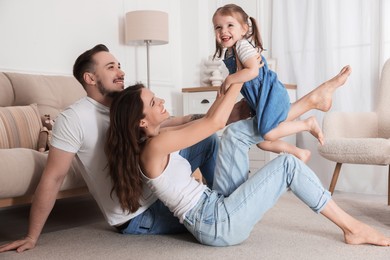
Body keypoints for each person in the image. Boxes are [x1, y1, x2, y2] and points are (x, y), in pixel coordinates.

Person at [0, 44, 249, 253]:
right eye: (111, 68)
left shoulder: (123, 105)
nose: (120, 72)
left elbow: (171, 122)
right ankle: (227, 210)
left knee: (207, 141)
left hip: (153, 183)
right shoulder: (73, 118)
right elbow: (53, 177)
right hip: (140, 213)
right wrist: (32, 235)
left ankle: (228, 202)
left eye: (119, 65)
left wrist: (224, 116)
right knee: (214, 219)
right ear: (90, 78)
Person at [105, 82, 390, 247]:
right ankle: (353, 228)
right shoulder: (154, 146)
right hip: (216, 224)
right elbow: (211, 123)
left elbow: (200, 120)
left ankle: (306, 109)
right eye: (155, 102)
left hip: (216, 205)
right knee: (287, 167)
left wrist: (223, 100)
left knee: (234, 132)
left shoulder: (156, 136)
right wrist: (243, 76)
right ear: (142, 122)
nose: (162, 101)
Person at [212, 4, 352, 162]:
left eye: (230, 25)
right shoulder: (231, 51)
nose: (223, 31)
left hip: (270, 94)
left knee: (269, 134)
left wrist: (230, 79)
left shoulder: (242, 46)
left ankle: (307, 124)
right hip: (260, 99)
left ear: (244, 29)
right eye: (218, 27)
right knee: (263, 142)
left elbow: (253, 71)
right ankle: (299, 152)